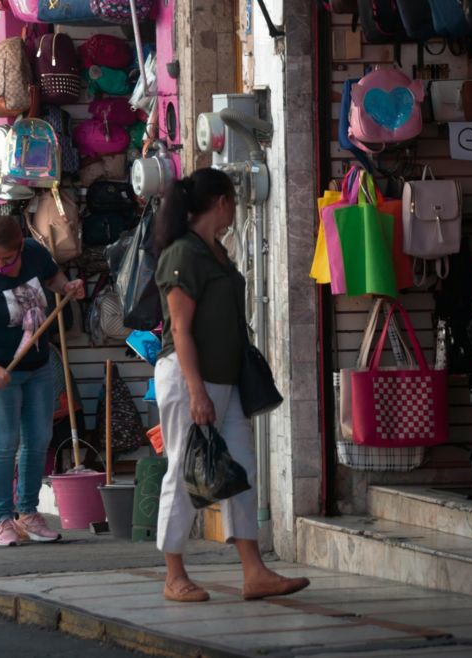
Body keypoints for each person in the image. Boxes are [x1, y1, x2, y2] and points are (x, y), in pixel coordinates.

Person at [152, 168, 308, 602]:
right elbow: (180, 331)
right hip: (190, 381)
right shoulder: (183, 253)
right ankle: (173, 573)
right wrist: (197, 390)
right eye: (233, 200)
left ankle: (254, 572)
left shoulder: (215, 251)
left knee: (241, 470)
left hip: (226, 382)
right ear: (220, 202)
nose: (236, 208)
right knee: (183, 472)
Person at [0, 214, 84, 547]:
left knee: (38, 437)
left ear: (20, 248)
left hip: (37, 364)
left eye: (7, 258)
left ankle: (28, 513)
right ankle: (3, 519)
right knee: (4, 442)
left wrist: (68, 287)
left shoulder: (35, 253)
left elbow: (54, 280)